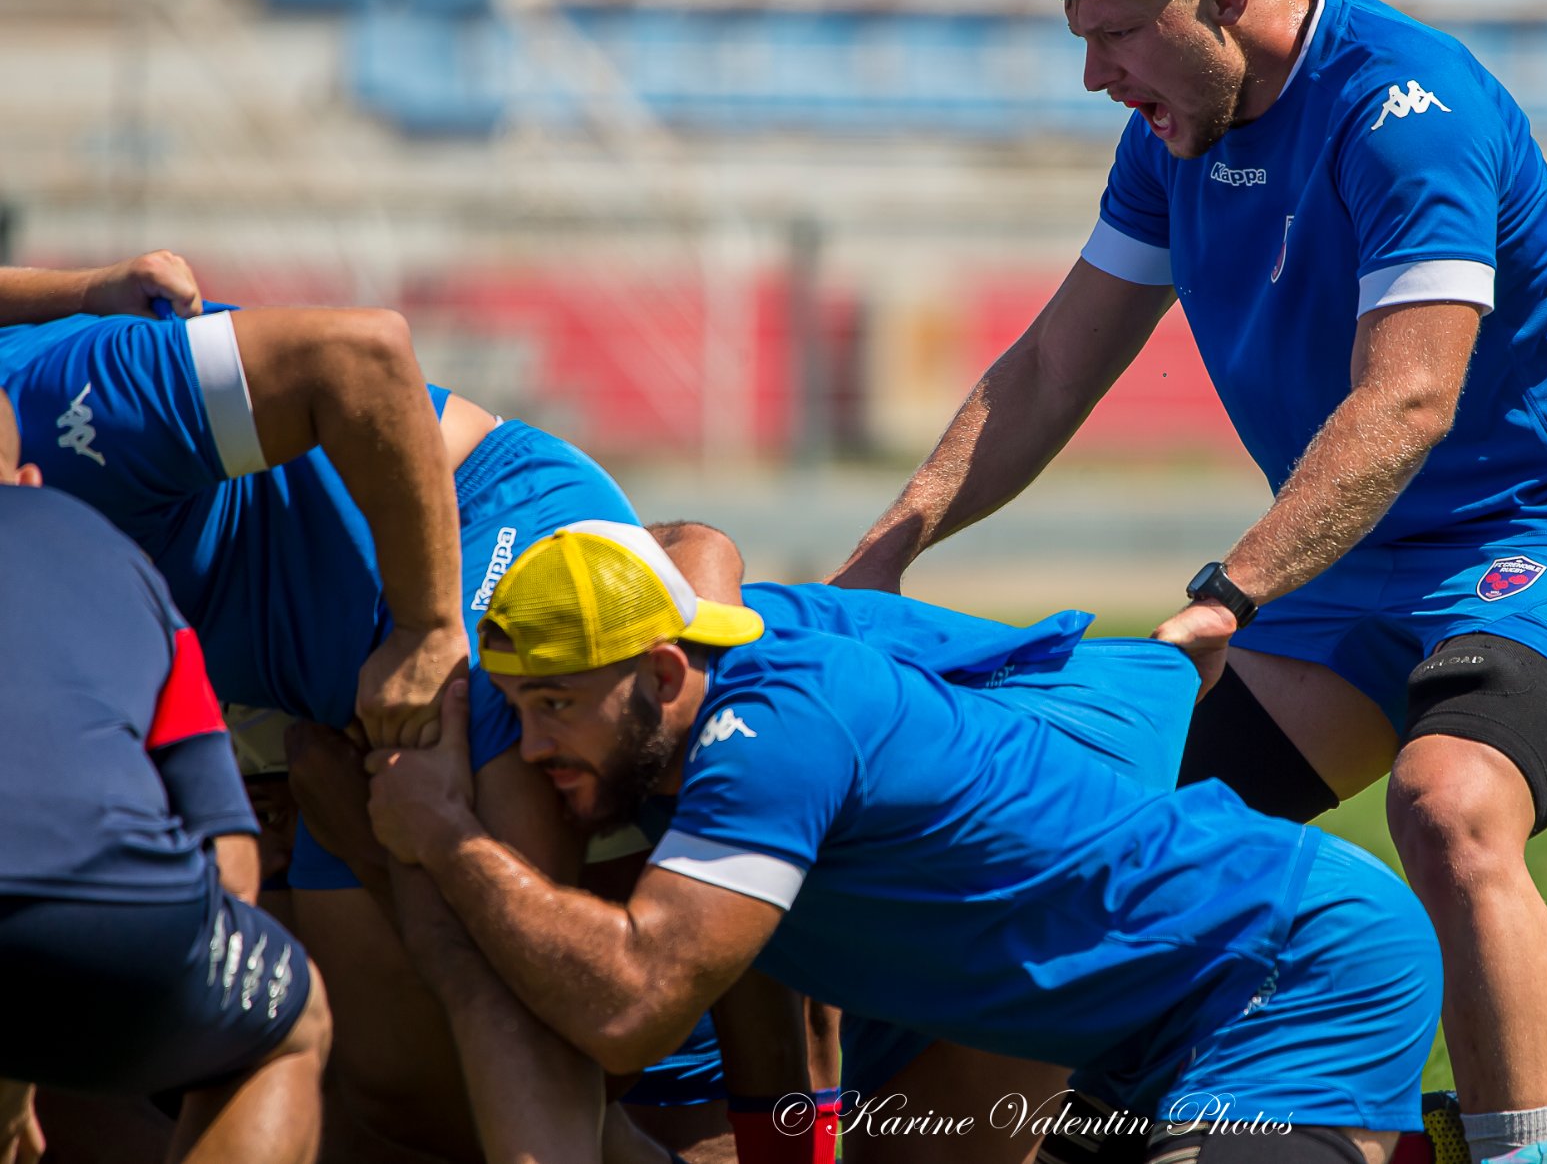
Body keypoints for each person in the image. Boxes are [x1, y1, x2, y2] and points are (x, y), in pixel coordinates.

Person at [829, 0, 1547, 1164]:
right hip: (1356, 564)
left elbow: (1407, 403)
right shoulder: (1168, 137)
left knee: (1449, 802)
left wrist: (1232, 588)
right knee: (1102, 816)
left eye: (1119, 36)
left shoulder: (1410, 108)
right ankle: (1100, 1121)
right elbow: (1054, 365)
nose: (1096, 78)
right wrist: (887, 548)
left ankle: (1530, 1157)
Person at [0, 259, 774, 1164]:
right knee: (397, 1087)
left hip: (472, 533)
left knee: (502, 992)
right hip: (331, 687)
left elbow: (366, 352)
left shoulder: (75, 399)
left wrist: (427, 626)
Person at [363, 520, 1444, 1164]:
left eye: (553, 707)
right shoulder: (677, 750)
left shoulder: (767, 731)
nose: (534, 748)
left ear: (658, 673)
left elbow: (627, 1000)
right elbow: (762, 999)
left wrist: (449, 837)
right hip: (1139, 1026)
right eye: (517, 709)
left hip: (1290, 968)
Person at [0, 386, 332, 1164]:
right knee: (291, 1022)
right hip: (118, 914)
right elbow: (233, 860)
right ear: (30, 485)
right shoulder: (111, 555)